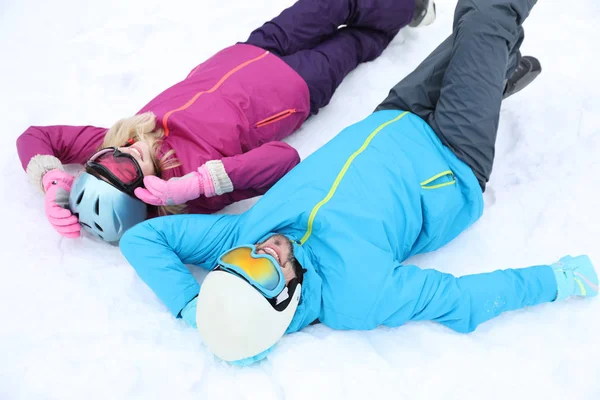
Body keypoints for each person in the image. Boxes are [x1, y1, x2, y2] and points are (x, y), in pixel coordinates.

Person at [119, 0, 598, 366]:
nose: (262, 248)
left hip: (393, 116)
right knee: (487, 17)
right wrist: (558, 281)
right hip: (453, 158)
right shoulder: (357, 294)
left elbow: (145, 237)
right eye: (263, 270)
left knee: (475, 33)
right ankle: (492, 71)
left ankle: (495, 74)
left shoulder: (241, 239)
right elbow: (460, 300)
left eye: (239, 261)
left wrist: (191, 307)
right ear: (284, 303)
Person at [16, 0, 436, 243]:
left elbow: (36, 137)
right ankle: (407, 7)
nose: (124, 150)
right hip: (298, 87)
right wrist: (204, 181)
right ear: (144, 195)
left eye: (105, 157)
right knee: (356, 41)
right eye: (124, 167)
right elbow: (284, 159)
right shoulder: (197, 191)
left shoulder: (126, 139)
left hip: (254, 48)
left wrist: (51, 180)